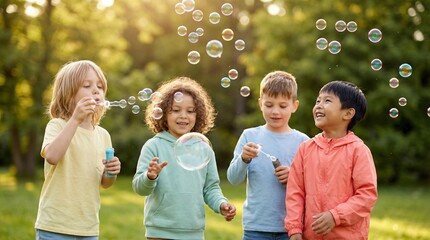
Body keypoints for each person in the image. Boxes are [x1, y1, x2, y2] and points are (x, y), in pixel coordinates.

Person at [132, 76, 236, 240]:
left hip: (193, 231)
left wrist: (221, 204)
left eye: (190, 111)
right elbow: (139, 188)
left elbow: (211, 188)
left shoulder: (204, 148)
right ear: (164, 113)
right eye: (176, 110)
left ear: (199, 115)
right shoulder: (154, 146)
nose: (183, 116)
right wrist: (150, 176)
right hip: (160, 231)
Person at [35, 60, 121, 240]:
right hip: (55, 225)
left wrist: (111, 172)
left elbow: (105, 183)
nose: (96, 90)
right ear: (69, 94)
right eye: (87, 85)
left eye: (100, 86)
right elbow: (52, 156)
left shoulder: (103, 135)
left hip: (88, 227)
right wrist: (75, 120)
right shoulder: (57, 126)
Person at [285, 81, 378, 240]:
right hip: (310, 236)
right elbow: (295, 192)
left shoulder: (358, 150)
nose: (319, 105)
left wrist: (336, 216)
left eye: (327, 101)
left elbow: (366, 195)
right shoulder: (305, 149)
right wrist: (294, 229)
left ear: (347, 114)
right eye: (317, 101)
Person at [227, 70, 309, 240]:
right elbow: (233, 179)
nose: (275, 111)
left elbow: (313, 185)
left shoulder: (303, 141)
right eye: (269, 105)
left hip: (291, 227)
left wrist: (293, 177)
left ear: (294, 106)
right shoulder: (249, 136)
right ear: (260, 104)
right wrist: (244, 159)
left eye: (283, 105)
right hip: (256, 226)